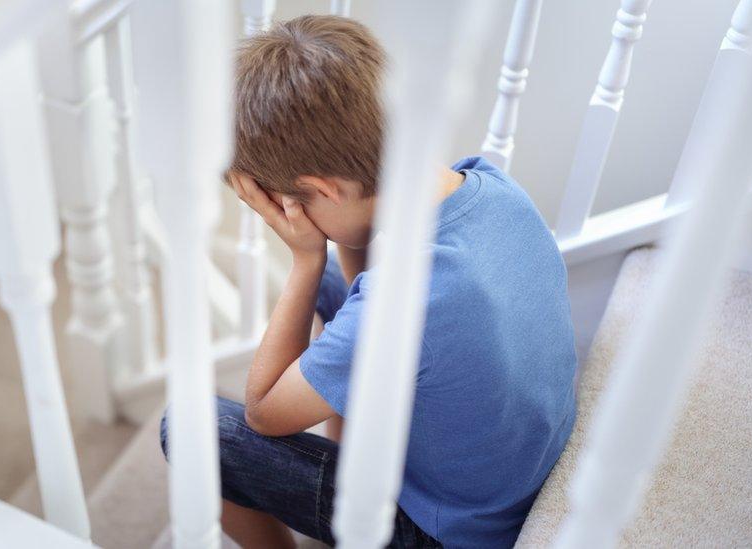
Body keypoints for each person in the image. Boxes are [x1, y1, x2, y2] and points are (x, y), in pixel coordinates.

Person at [161, 15, 578, 548]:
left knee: (193, 431)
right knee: (343, 288)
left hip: (448, 530)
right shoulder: (493, 187)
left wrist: (305, 260)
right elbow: (372, 288)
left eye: (291, 206)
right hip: (507, 470)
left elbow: (265, 413)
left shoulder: (411, 301)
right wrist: (338, 237)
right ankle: (347, 429)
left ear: (321, 190)